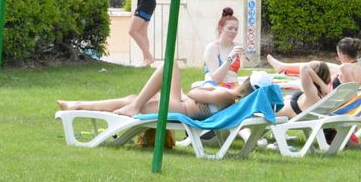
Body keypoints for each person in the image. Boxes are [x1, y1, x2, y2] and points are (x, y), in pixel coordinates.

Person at [56, 63, 271, 120]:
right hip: (181, 105)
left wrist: (204, 87)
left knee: (169, 65)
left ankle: (78, 105)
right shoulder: (237, 102)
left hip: (182, 107)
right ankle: (78, 105)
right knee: (171, 64)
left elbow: (195, 94)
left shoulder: (227, 95)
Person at [266, 37, 361, 90]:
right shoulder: (358, 69)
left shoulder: (344, 68)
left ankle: (282, 67)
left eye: (338, 53)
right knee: (318, 64)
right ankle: (282, 66)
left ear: (342, 54)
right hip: (333, 95)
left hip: (330, 100)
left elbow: (350, 93)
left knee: (315, 66)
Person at [202, 7, 246, 88]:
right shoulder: (212, 48)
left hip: (233, 86)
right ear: (220, 28)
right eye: (230, 28)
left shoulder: (237, 46)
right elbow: (216, 78)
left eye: (236, 29)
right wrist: (230, 57)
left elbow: (233, 75)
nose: (233, 31)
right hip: (214, 86)